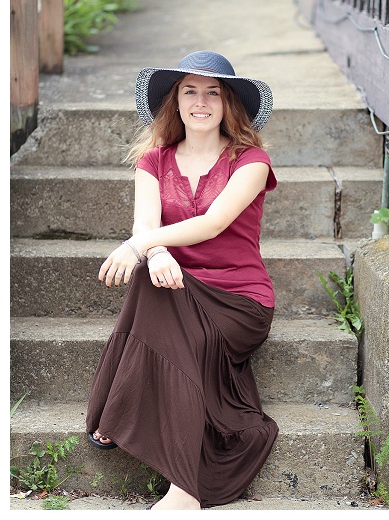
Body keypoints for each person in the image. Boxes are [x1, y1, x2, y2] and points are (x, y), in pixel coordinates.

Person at [85, 51, 279, 509]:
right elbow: (145, 224)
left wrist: (141, 247)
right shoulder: (153, 162)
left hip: (239, 301)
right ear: (174, 102)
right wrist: (154, 252)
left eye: (213, 92)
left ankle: (182, 487)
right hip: (173, 291)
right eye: (190, 91)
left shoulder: (250, 160)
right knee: (154, 284)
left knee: (154, 285)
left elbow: (212, 223)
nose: (201, 101)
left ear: (228, 104)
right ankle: (176, 477)